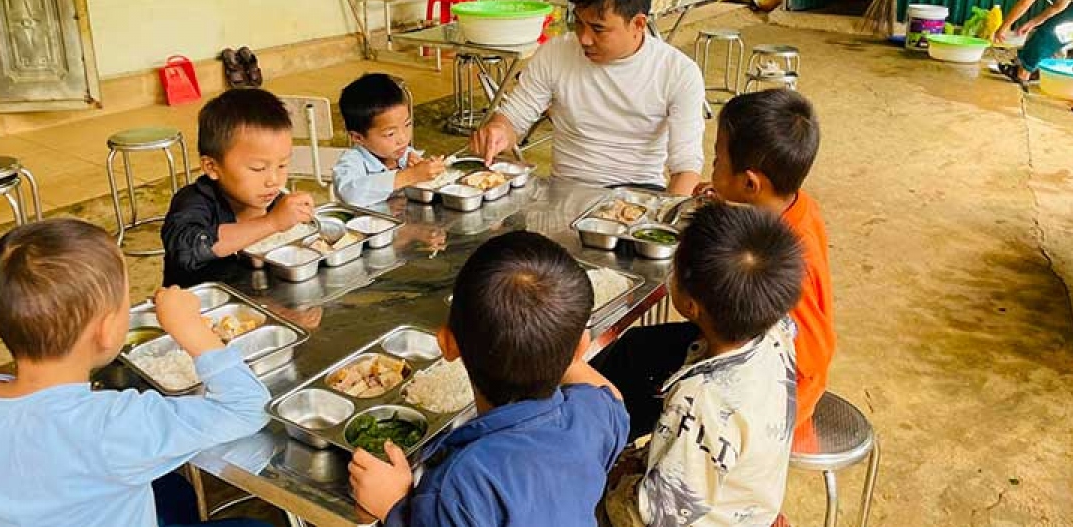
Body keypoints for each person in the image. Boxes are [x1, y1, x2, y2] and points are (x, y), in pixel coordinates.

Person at [0, 219, 272, 527]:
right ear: (109, 331)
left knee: (171, 489)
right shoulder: (113, 423)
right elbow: (247, 407)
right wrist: (192, 331)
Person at [348, 231, 630, 526]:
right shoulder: (592, 414)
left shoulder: (458, 486)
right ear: (581, 348)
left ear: (447, 344)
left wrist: (394, 507)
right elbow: (612, 398)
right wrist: (563, 351)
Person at [601, 202, 805, 527]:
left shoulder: (699, 403)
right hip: (748, 501)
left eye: (676, 266)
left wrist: (615, 483)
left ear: (692, 305)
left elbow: (651, 517)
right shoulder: (778, 329)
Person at [469, 0, 705, 194]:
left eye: (598, 28)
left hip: (638, 195)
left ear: (638, 24)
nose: (584, 38)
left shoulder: (678, 73)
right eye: (579, 23)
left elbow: (686, 168)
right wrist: (498, 131)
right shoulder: (555, 53)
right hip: (565, 192)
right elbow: (513, 119)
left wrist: (667, 220)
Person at [697, 89, 834, 428]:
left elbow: (813, 354)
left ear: (749, 184)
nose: (711, 166)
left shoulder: (783, 256)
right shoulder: (796, 205)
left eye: (717, 160)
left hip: (779, 397)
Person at [162, 88, 315, 287]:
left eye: (282, 165)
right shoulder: (194, 201)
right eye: (258, 168)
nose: (273, 180)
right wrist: (271, 223)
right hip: (199, 310)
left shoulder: (275, 202)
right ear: (212, 167)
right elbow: (189, 248)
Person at [333, 73, 446, 206]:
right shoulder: (352, 162)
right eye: (390, 134)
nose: (403, 139)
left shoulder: (403, 154)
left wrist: (428, 169)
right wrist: (409, 175)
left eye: (407, 124)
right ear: (358, 137)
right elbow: (350, 194)